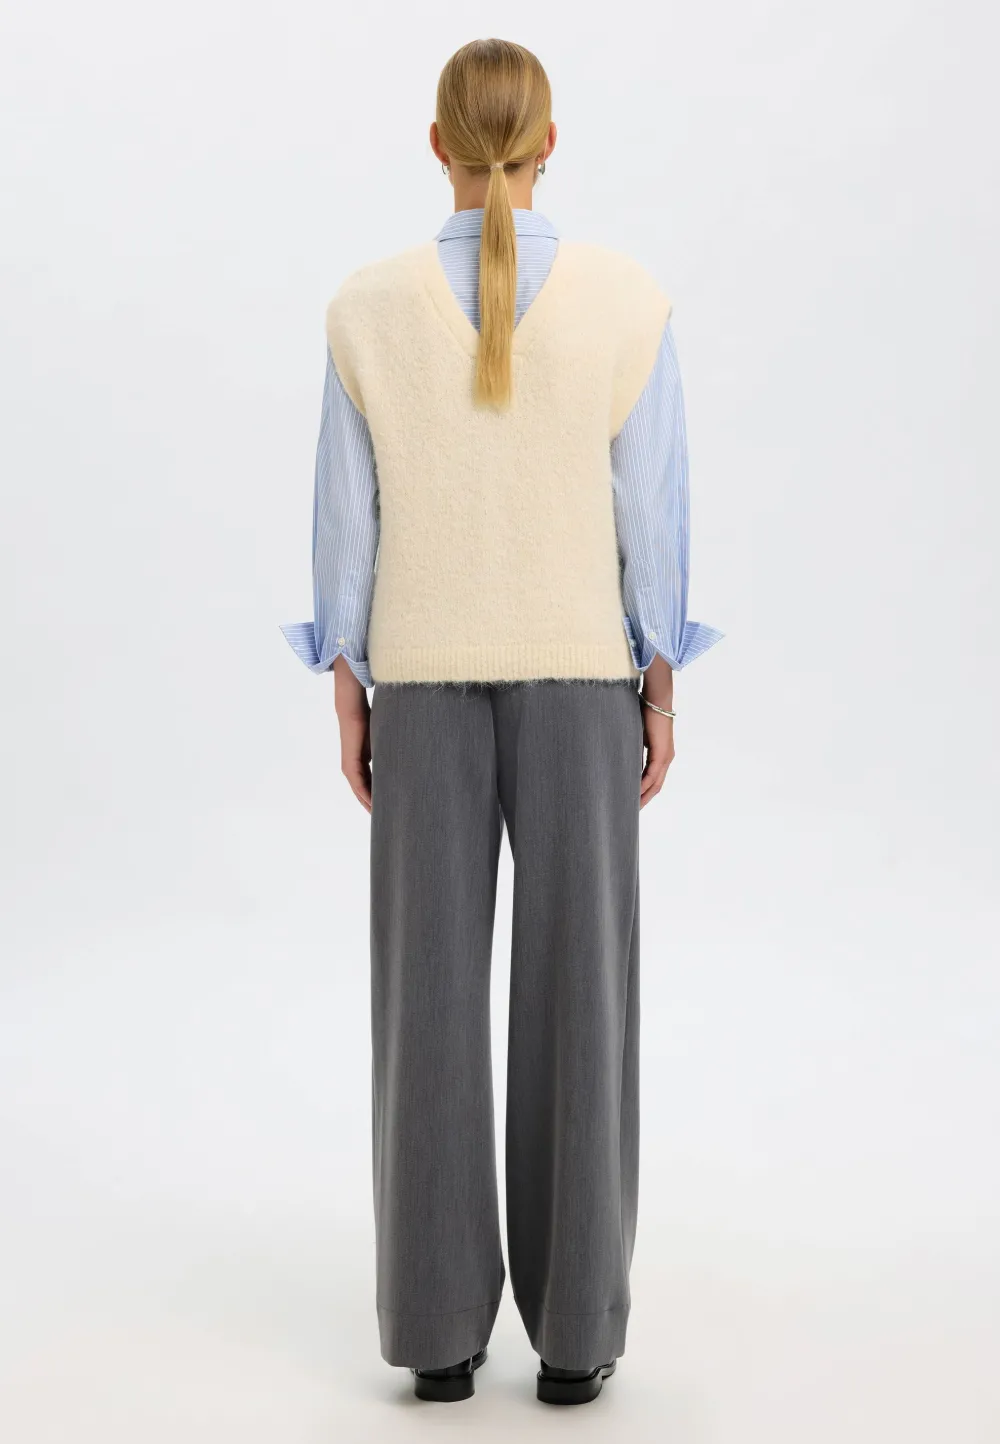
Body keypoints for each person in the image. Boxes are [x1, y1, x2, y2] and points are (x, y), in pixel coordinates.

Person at [281, 37, 723, 1407]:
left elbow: (345, 526)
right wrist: (660, 685)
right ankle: (578, 1332)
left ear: (437, 146)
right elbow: (652, 520)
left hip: (420, 681)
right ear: (549, 148)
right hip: (583, 681)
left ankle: (436, 1332)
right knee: (586, 999)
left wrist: (349, 684)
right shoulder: (628, 303)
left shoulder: (365, 311)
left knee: (423, 1003)